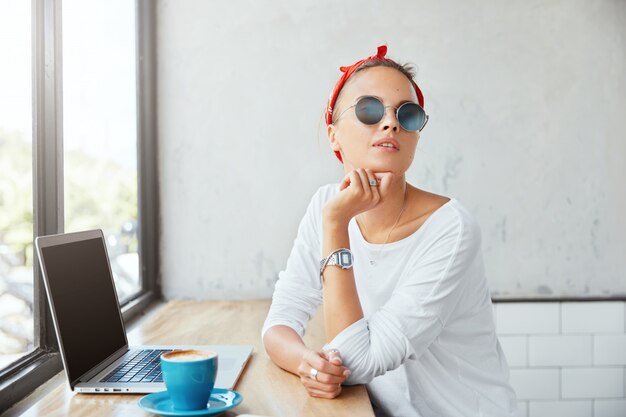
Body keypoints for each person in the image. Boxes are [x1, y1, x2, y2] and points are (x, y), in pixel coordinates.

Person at [262, 45, 518, 417]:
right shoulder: (324, 203)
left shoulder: (450, 229)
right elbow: (280, 320)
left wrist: (336, 225)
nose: (391, 123)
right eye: (369, 110)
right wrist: (309, 365)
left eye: (407, 115)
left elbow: (357, 362)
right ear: (333, 135)